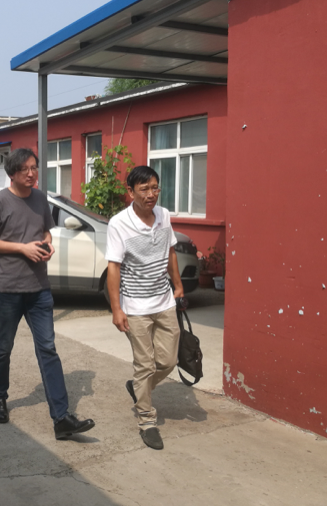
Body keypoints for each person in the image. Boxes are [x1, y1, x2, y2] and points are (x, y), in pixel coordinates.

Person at [0, 148, 95, 440]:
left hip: (39, 289)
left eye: (34, 168)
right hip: (8, 289)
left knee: (48, 349)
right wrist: (23, 248)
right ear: (12, 173)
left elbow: (46, 231)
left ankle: (61, 418)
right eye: (25, 169)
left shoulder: (40, 198)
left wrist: (47, 243)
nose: (32, 174)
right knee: (4, 347)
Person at [105, 165, 184, 450]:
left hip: (163, 301)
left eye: (155, 188)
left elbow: (170, 251)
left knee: (168, 361)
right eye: (144, 189)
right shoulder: (118, 224)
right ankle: (147, 421)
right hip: (135, 306)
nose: (151, 194)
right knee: (145, 365)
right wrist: (117, 309)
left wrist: (178, 285)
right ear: (130, 192)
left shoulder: (164, 215)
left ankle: (139, 388)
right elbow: (114, 267)